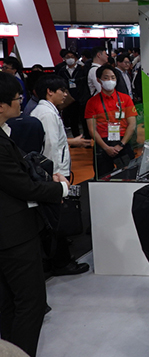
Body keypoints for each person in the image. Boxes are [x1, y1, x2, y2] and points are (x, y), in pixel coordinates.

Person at [0, 72, 72, 357]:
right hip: (13, 235)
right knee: (30, 302)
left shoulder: (5, 134)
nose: (21, 104)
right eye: (17, 99)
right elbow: (21, 186)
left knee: (10, 305)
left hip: (10, 233)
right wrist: (61, 190)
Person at [31, 75, 91, 276]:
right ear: (50, 91)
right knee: (56, 219)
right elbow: (50, 148)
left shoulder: (47, 111)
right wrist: (55, 176)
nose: (65, 95)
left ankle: (57, 259)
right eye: (62, 91)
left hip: (53, 175)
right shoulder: (46, 114)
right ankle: (62, 262)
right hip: (54, 176)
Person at [84, 64, 137, 179]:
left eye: (113, 78)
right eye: (106, 78)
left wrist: (121, 144)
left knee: (129, 176)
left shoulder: (125, 99)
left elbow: (132, 124)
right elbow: (91, 129)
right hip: (102, 144)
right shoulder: (92, 102)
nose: (110, 80)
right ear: (99, 80)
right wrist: (106, 148)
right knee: (102, 178)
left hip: (123, 142)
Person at [56, 51, 88, 138]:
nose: (70, 58)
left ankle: (87, 137)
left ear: (76, 58)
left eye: (72, 56)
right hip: (69, 97)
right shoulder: (62, 70)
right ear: (64, 59)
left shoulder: (81, 69)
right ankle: (76, 137)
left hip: (81, 96)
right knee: (73, 119)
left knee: (84, 118)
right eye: (67, 57)